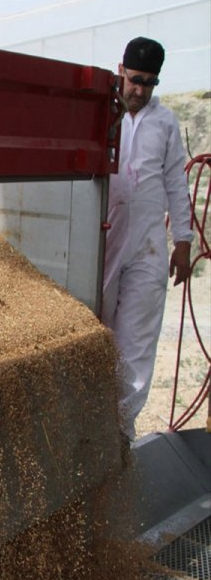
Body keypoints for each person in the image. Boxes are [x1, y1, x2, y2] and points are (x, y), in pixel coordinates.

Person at [101, 36, 194, 442]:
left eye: (149, 83)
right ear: (121, 70)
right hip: (102, 238)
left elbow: (176, 180)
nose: (140, 90)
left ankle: (119, 436)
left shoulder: (165, 122)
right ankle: (89, 426)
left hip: (148, 245)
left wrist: (184, 240)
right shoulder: (101, 112)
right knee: (96, 330)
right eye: (135, 79)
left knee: (136, 343)